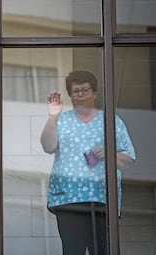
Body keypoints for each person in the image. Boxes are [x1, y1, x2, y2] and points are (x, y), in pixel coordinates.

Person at [40, 70, 136, 255]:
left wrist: (109, 154)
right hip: (68, 198)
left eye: (84, 90)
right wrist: (52, 117)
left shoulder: (111, 121)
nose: (80, 95)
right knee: (72, 251)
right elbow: (48, 146)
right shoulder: (62, 120)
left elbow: (128, 158)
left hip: (103, 198)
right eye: (75, 91)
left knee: (102, 251)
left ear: (95, 93)